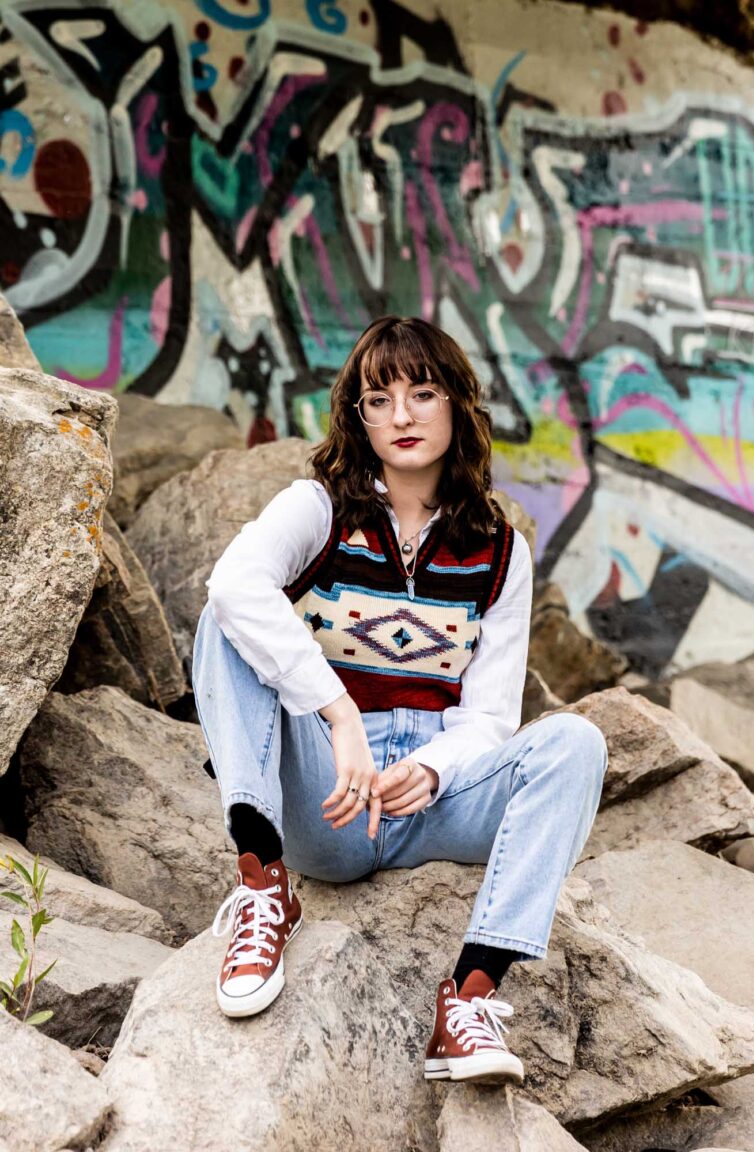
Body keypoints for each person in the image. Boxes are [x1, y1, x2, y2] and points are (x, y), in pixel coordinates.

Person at [192, 315, 607, 1085]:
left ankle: (469, 1003)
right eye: (379, 400)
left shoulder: (501, 549)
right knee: (227, 618)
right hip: (330, 801)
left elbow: (489, 718)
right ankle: (263, 889)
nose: (404, 416)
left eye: (423, 392)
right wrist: (336, 711)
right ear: (357, 415)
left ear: (458, 405)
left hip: (434, 805)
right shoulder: (317, 510)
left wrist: (440, 768)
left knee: (577, 744)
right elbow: (233, 586)